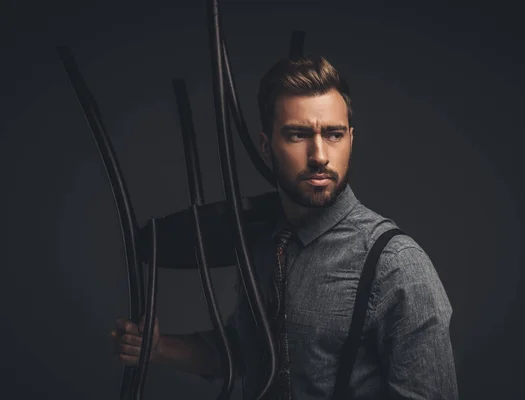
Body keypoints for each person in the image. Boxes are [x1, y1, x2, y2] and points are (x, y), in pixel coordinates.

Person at [111, 55, 459, 399]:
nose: (320, 155)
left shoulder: (397, 266)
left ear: (351, 139)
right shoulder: (267, 242)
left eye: (334, 134)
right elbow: (249, 353)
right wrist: (158, 349)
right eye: (298, 135)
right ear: (267, 146)